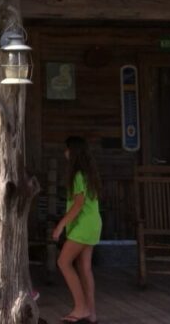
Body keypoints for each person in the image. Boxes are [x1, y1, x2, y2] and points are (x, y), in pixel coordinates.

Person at [51, 136, 102, 324]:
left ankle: (81, 308)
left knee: (64, 262)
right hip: (93, 224)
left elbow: (78, 205)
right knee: (84, 267)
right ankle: (91, 313)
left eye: (66, 149)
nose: (65, 152)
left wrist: (60, 226)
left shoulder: (78, 175)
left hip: (83, 225)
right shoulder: (89, 174)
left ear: (73, 152)